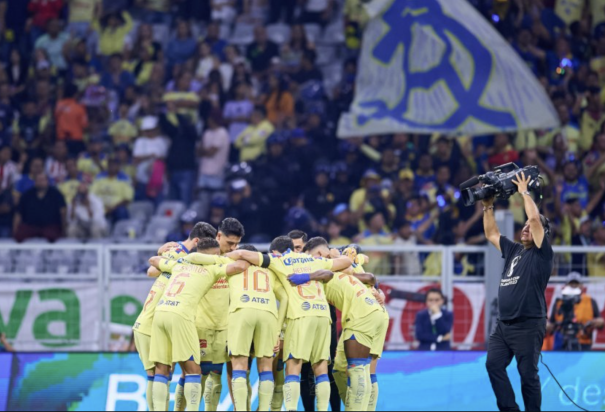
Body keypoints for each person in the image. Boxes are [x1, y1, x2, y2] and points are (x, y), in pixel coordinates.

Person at [227, 236, 354, 412]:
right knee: (321, 369)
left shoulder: (279, 260)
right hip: (323, 315)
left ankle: (290, 409)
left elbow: (241, 253)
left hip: (300, 314)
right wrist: (333, 254)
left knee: (293, 367)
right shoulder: (314, 259)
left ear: (273, 251)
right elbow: (347, 263)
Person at [148, 238, 248, 412]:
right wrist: (218, 259)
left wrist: (165, 250)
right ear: (213, 255)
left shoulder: (179, 264)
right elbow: (240, 266)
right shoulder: (212, 269)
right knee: (193, 371)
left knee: (161, 370)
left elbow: (154, 261)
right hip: (182, 315)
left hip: (160, 313)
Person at [483, 171, 554, 412]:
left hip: (528, 323)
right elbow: (491, 234)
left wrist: (524, 192)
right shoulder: (514, 250)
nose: (525, 228)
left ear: (541, 234)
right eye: (522, 226)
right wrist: (487, 207)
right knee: (493, 364)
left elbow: (535, 220)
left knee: (527, 375)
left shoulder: (542, 253)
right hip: (504, 325)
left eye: (529, 227)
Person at [134, 222, 216, 412]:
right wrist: (171, 259)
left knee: (161, 375)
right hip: (151, 321)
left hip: (154, 319)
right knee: (156, 375)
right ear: (197, 241)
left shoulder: (180, 254)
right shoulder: (181, 254)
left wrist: (163, 254)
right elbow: (151, 271)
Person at [293, 239, 382, 411]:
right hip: (373, 311)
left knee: (358, 369)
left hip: (361, 315)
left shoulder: (322, 268)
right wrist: (377, 290)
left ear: (318, 255)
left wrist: (305, 276)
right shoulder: (343, 267)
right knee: (348, 369)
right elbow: (368, 274)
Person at [546, 272, 605, 351]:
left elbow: (600, 321)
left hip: (584, 343)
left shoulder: (590, 301)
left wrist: (594, 323)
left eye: (576, 283)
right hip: (562, 342)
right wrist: (548, 326)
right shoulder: (559, 302)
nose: (573, 286)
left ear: (581, 286)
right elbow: (551, 323)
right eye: (571, 284)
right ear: (566, 286)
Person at [14, 173, 67, 242]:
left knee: (53, 235)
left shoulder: (56, 194)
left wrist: (64, 229)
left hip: (50, 226)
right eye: (38, 180)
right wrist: (14, 229)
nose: (40, 182)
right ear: (35, 182)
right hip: (30, 226)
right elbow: (18, 213)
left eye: (42, 180)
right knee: (19, 236)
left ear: (47, 181)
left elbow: (63, 211)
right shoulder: (26, 195)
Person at [90, 158, 133, 223]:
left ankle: (121, 231)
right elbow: (92, 194)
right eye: (110, 165)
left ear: (119, 166)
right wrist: (100, 205)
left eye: (114, 165)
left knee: (122, 211)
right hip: (100, 207)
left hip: (116, 208)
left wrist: (113, 207)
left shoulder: (124, 178)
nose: (112, 167)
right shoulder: (100, 176)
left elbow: (127, 199)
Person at [55, 83, 89, 156]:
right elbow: (85, 125)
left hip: (61, 140)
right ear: (75, 94)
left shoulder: (58, 105)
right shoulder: (80, 108)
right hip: (76, 140)